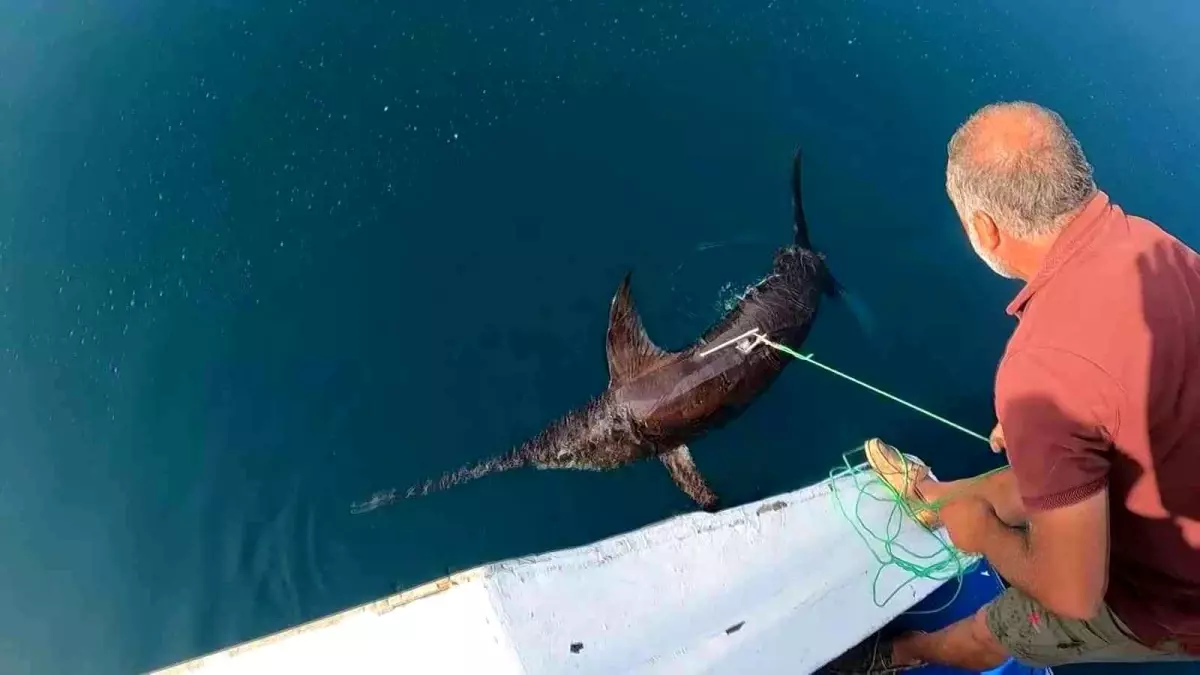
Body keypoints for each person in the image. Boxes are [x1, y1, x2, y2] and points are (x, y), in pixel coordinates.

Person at [822, 101, 1200, 673]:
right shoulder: (1156, 247)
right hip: (1174, 478)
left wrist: (987, 538)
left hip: (1170, 595)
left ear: (984, 229)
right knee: (1038, 473)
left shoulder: (1042, 367)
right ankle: (934, 502)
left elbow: (1075, 595)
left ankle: (904, 654)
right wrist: (1058, 424)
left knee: (998, 627)